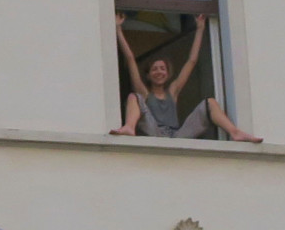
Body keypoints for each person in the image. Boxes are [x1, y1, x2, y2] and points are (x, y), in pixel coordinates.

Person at [111, 15, 261, 143]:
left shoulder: (173, 91)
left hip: (177, 135)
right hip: (154, 132)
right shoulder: (144, 93)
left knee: (210, 102)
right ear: (148, 75)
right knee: (133, 96)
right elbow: (130, 59)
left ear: (168, 74)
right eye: (154, 69)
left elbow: (191, 61)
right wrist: (118, 29)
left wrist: (200, 29)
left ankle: (234, 132)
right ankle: (130, 127)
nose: (159, 72)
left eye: (162, 69)